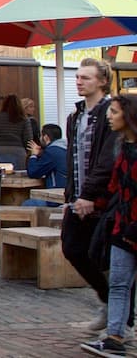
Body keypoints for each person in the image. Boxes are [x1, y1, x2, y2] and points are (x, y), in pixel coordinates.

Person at [65, 57, 122, 332]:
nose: (79, 81)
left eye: (85, 77)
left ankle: (118, 313)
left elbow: (107, 160)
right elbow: (73, 158)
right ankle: (111, 301)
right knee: (72, 248)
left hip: (102, 199)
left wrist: (89, 194)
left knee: (103, 256)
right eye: (77, 77)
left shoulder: (112, 114)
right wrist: (73, 194)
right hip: (78, 197)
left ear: (101, 81)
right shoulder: (75, 116)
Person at [82, 95, 137, 357]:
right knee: (118, 283)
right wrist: (95, 204)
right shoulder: (120, 146)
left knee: (120, 283)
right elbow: (115, 187)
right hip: (122, 227)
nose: (109, 116)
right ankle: (115, 338)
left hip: (131, 226)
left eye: (114, 112)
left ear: (128, 116)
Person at [0, 94, 34, 170]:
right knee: (19, 175)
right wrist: (28, 152)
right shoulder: (24, 118)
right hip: (18, 150)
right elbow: (28, 138)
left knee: (2, 175)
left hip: (0, 149)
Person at [27, 124, 69, 189]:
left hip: (56, 192)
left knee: (28, 199)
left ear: (46, 137)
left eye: (40, 135)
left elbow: (33, 172)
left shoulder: (51, 152)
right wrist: (42, 154)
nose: (40, 138)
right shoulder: (66, 148)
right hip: (68, 191)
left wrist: (33, 155)